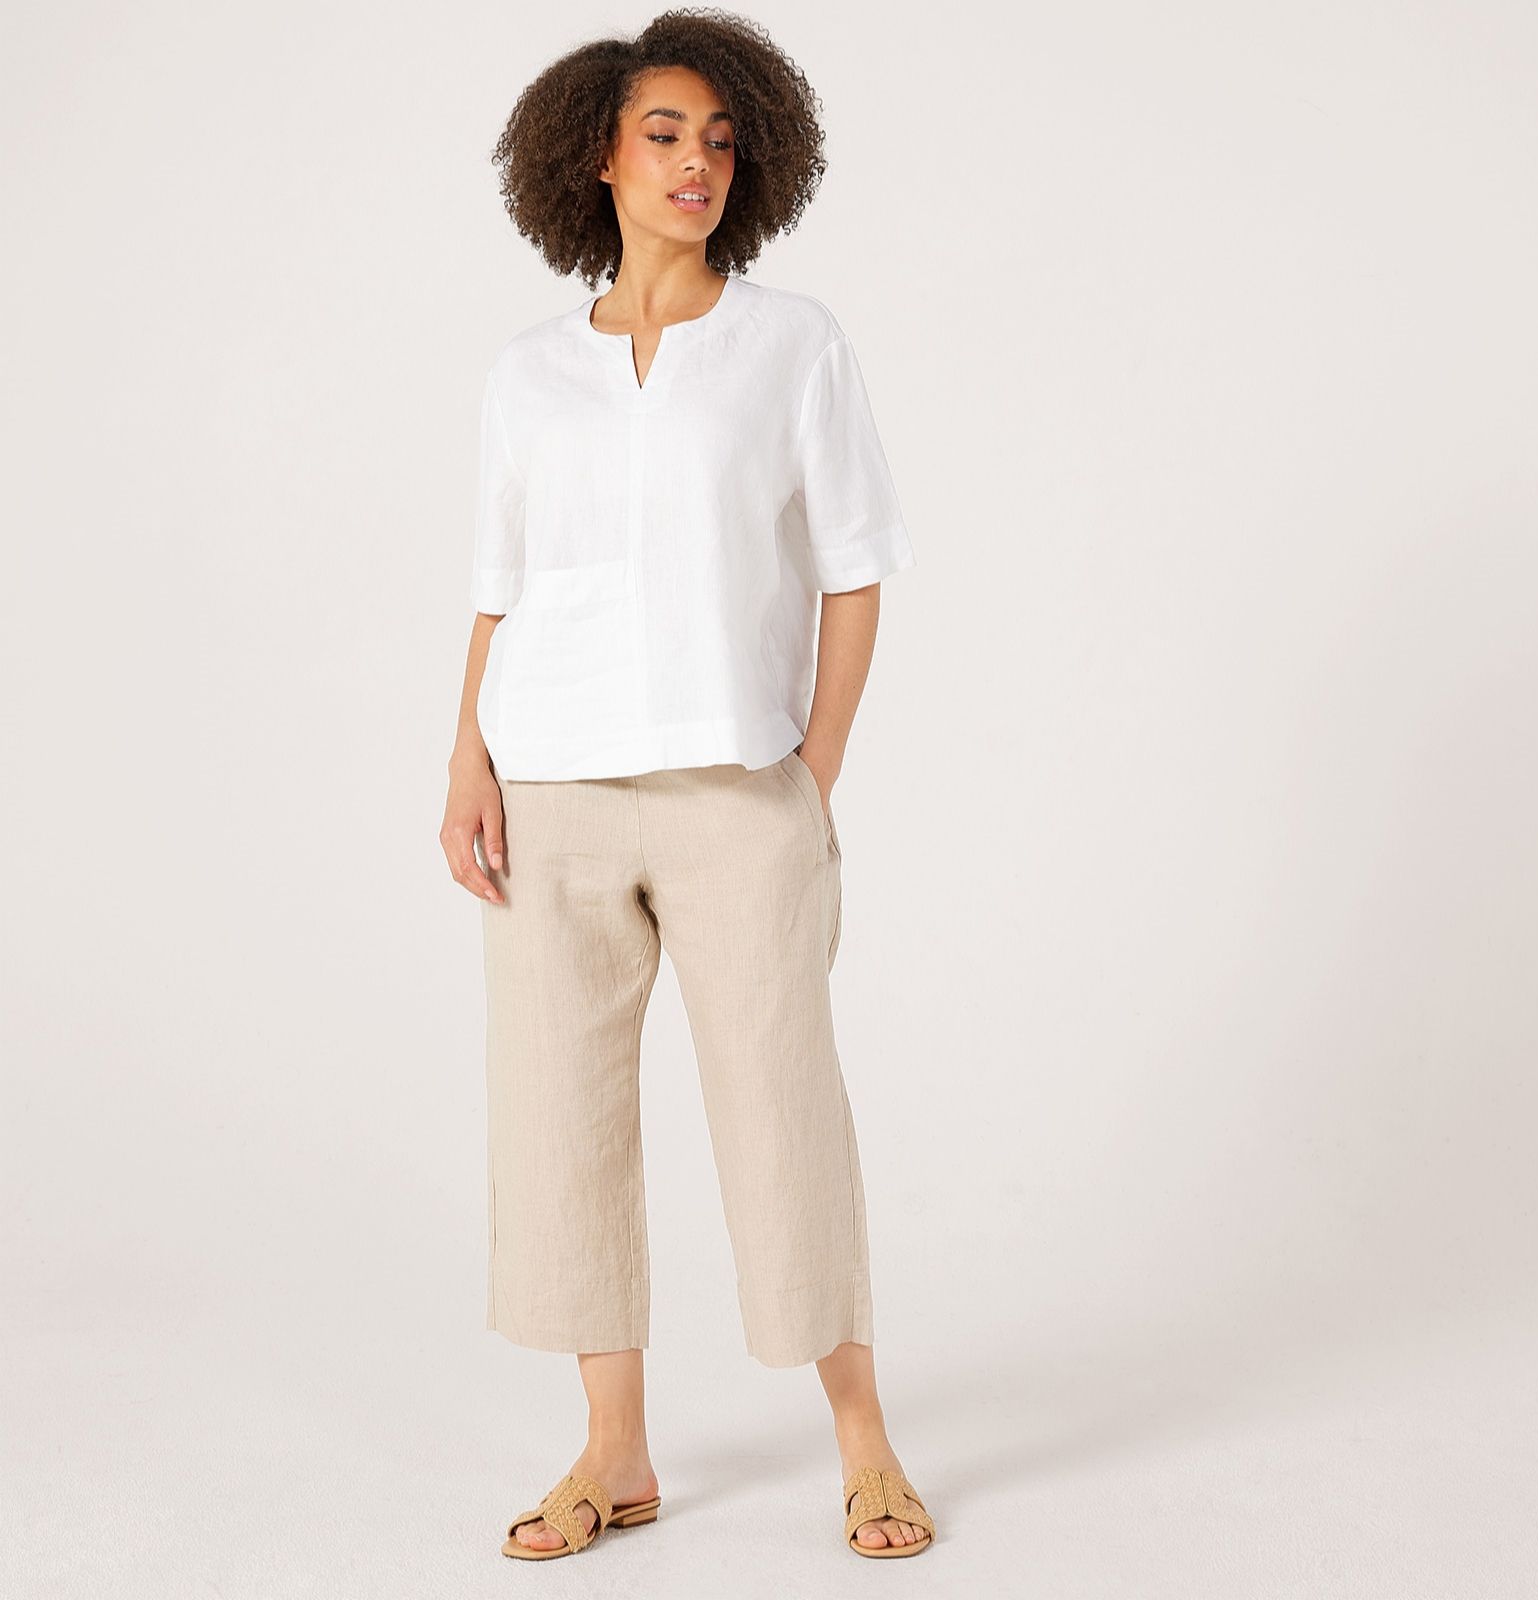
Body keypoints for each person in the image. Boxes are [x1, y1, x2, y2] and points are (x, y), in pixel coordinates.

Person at [439, 9, 935, 1563]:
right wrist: (466, 760)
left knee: (784, 1116)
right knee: (563, 1121)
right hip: (552, 791)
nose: (695, 163)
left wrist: (812, 771)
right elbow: (501, 588)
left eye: (720, 139)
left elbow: (855, 568)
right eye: (663, 134)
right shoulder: (529, 376)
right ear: (595, 155)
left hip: (738, 795)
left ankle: (866, 1444)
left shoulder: (793, 345)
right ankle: (615, 1453)